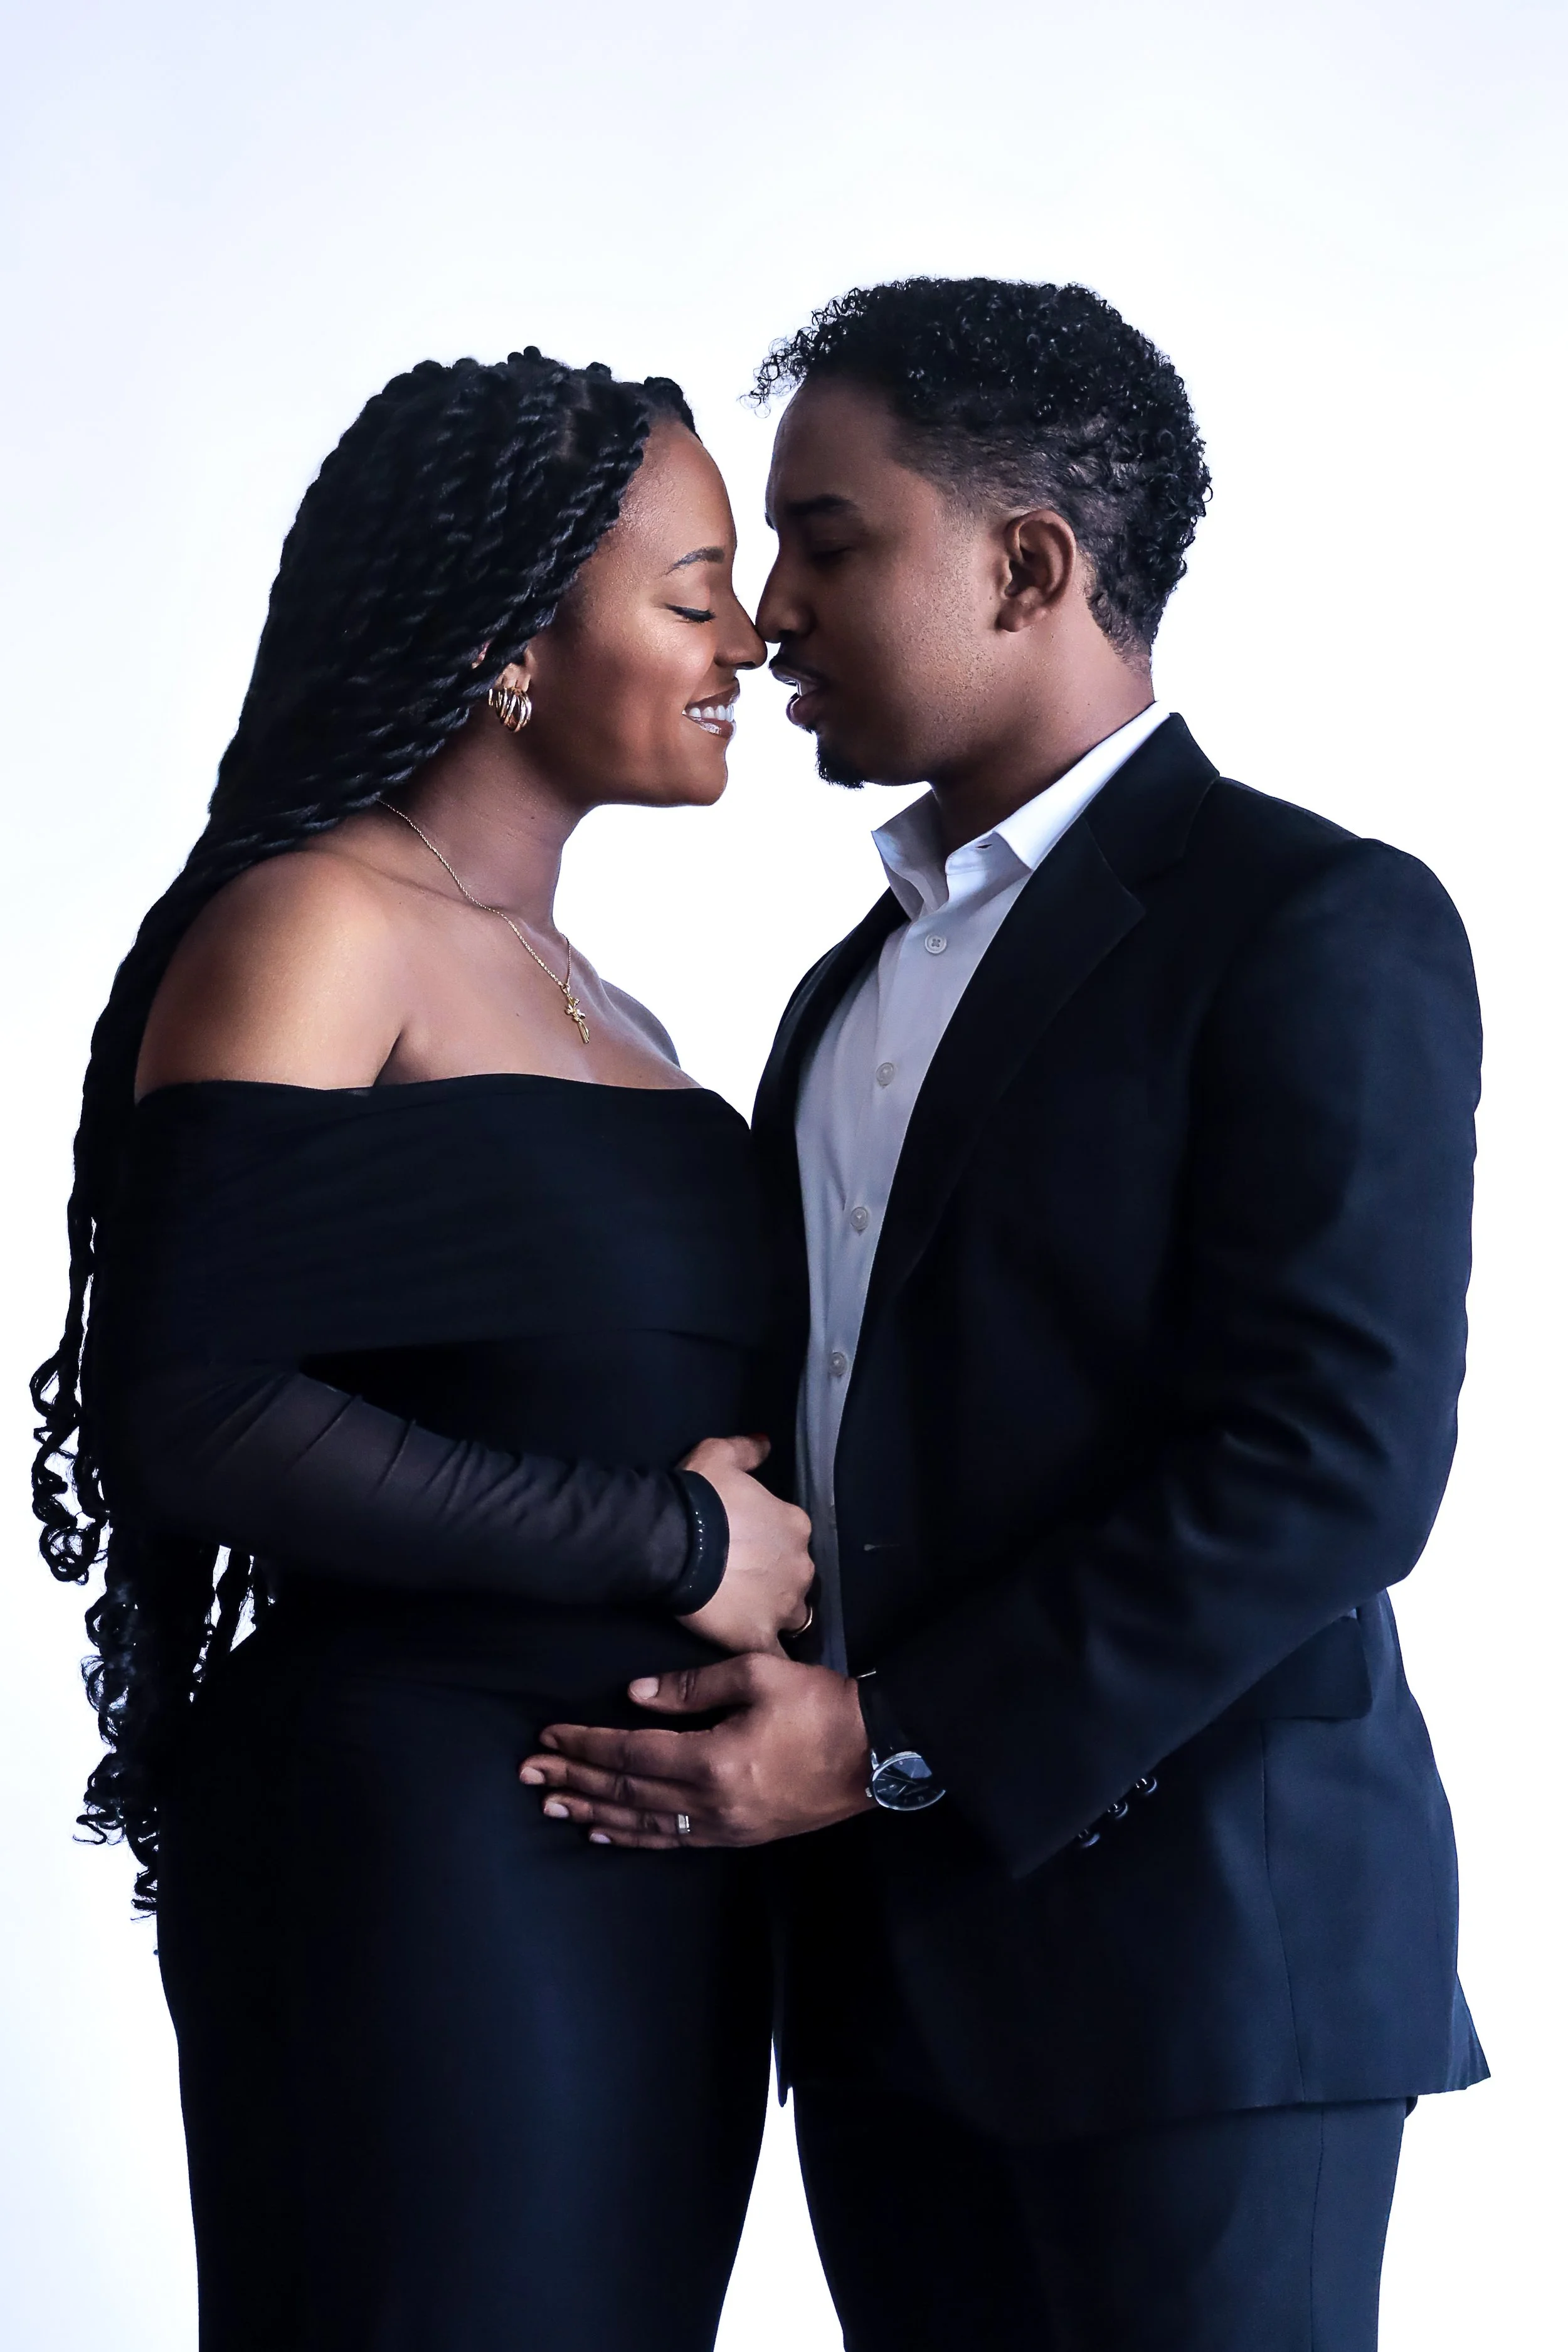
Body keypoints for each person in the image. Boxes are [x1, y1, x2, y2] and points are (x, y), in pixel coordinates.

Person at [524, 280, 1488, 2350]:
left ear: (1027, 564)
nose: (768, 612)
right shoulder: (840, 994)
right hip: (884, 1984)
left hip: (1203, 1977)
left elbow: (1331, 1462)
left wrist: (878, 1740)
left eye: (827, 540)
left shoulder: (1314, 920)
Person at [30, 349, 815, 2352]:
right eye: (691, 586)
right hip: (421, 1849)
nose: (751, 632)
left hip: (650, 1859)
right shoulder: (316, 927)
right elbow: (190, 1409)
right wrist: (667, 1541)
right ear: (510, 641)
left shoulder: (613, 1006)